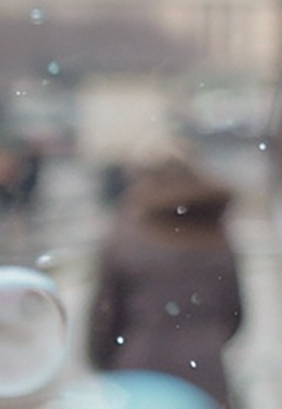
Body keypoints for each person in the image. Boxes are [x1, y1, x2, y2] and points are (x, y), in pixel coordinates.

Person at [86, 154, 244, 407]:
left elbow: (104, 319)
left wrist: (103, 365)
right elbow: (235, 317)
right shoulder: (217, 240)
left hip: (138, 369)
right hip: (205, 372)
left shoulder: (125, 239)